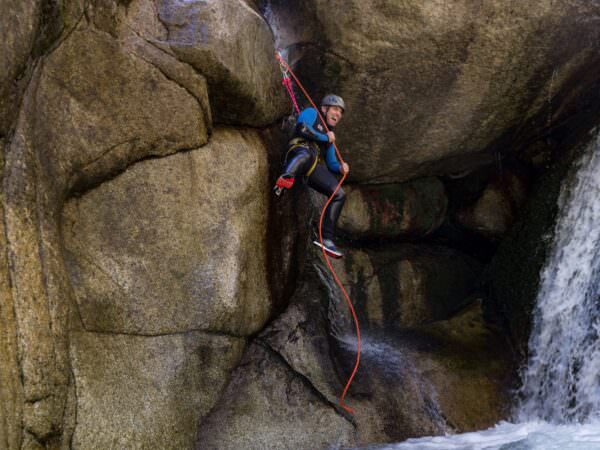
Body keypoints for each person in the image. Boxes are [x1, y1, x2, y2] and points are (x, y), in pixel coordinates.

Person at [274, 94, 350, 259]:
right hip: (297, 150)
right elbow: (302, 129)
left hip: (311, 165)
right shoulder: (312, 113)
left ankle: (327, 239)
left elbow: (331, 163)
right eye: (335, 109)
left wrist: (340, 168)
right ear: (324, 108)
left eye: (340, 112)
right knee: (306, 155)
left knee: (339, 194)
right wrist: (324, 137)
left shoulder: (330, 135)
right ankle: (286, 177)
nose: (337, 114)